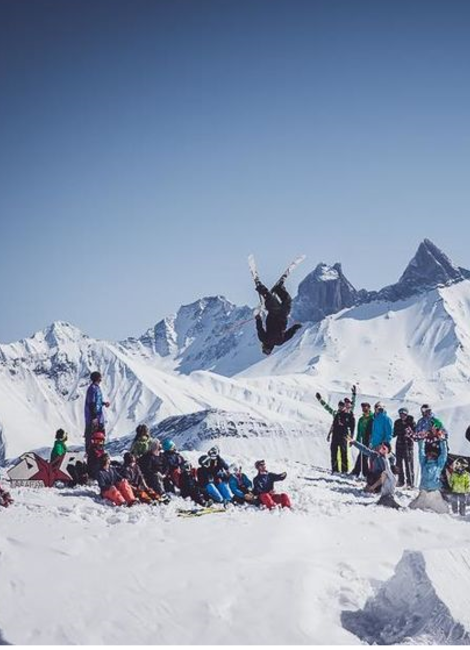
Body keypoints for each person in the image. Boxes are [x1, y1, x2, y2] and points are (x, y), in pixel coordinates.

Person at [254, 277, 302, 355]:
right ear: (265, 346)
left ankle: (278, 288)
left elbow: (289, 334)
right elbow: (260, 328)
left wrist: (296, 327)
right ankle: (261, 287)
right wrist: (258, 318)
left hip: (282, 315)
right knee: (270, 299)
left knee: (287, 301)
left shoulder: (279, 342)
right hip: (274, 313)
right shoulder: (264, 339)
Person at [409, 429, 448, 514]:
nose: (429, 456)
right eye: (429, 454)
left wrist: (442, 441)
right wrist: (421, 441)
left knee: (441, 511)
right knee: (415, 509)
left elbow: (444, 454)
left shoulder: (438, 465)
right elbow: (421, 452)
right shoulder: (424, 464)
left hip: (434, 491)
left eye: (432, 455)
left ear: (435, 456)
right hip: (424, 491)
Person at [316, 392, 355, 473]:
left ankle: (344, 470)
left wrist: (354, 395)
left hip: (343, 435)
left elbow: (352, 406)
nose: (340, 407)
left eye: (342, 405)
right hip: (335, 435)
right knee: (334, 452)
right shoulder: (336, 413)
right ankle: (335, 469)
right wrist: (320, 400)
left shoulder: (348, 414)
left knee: (343, 453)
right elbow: (327, 408)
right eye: (339, 405)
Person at [84, 371, 110, 453]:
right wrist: (94, 417)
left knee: (100, 436)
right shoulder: (92, 389)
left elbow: (97, 402)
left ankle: (100, 452)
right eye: (100, 378)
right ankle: (90, 453)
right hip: (93, 418)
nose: (101, 380)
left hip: (99, 417)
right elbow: (91, 403)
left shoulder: (97, 388)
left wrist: (104, 403)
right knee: (92, 437)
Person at [393, 407, 415, 488]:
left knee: (408, 464)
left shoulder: (411, 422)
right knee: (398, 464)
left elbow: (414, 433)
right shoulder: (397, 422)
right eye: (400, 414)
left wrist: (409, 433)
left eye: (403, 414)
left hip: (408, 445)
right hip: (399, 444)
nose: (402, 416)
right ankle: (400, 480)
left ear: (406, 414)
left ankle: (410, 482)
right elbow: (394, 433)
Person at [350, 402, 373, 478]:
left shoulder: (372, 417)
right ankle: (362, 472)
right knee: (362, 455)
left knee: (364, 456)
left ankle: (361, 472)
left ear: (369, 408)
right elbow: (359, 430)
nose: (364, 409)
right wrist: (357, 441)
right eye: (363, 407)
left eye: (365, 407)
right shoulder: (361, 419)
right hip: (363, 439)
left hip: (369, 439)